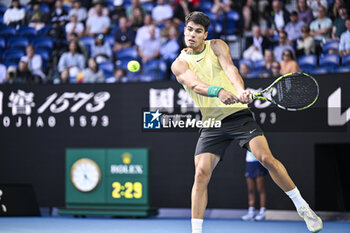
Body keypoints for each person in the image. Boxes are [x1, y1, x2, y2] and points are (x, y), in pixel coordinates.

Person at [171, 11, 322, 233]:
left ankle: (303, 207)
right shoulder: (179, 64)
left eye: (198, 31)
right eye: (189, 29)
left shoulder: (217, 46)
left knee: (265, 158)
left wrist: (240, 91)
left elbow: (230, 68)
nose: (192, 34)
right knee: (201, 173)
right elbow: (195, 85)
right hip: (212, 122)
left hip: (238, 115)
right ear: (185, 31)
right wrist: (218, 91)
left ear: (206, 34)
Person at [241, 150, 268, 221]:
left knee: (260, 189)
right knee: (250, 189)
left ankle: (262, 212)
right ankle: (251, 212)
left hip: (258, 162)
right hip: (249, 163)